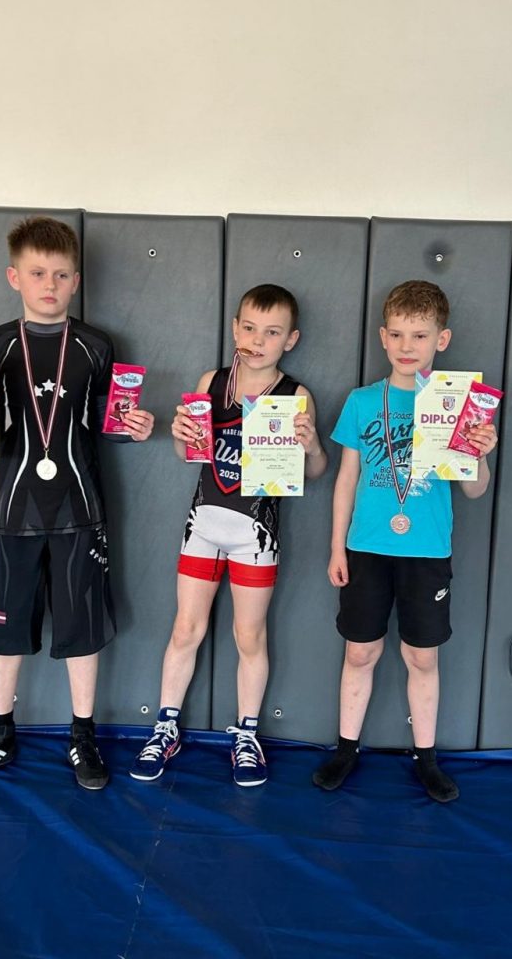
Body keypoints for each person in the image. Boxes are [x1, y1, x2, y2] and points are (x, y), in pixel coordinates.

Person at [0, 216, 154, 790]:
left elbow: (108, 420)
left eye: (61, 274)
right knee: (4, 629)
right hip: (12, 510)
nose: (50, 284)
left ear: (76, 281)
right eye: (38, 273)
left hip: (80, 510)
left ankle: (83, 736)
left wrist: (136, 428)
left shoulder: (96, 346)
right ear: (14, 277)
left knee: (82, 628)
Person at [129, 284, 327, 787]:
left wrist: (311, 447)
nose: (258, 340)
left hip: (256, 534)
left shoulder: (295, 395)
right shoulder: (212, 381)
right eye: (250, 328)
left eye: (272, 332)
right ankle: (166, 727)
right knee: (184, 629)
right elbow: (189, 456)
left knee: (249, 635)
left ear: (291, 339)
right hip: (204, 525)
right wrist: (179, 436)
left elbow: (315, 473)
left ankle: (247, 734)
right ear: (235, 327)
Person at [312, 280, 499, 801]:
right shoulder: (362, 401)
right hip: (367, 548)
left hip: (426, 550)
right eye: (396, 334)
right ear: (382, 337)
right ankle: (346, 749)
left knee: (422, 658)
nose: (406, 345)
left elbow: (474, 490)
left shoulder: (458, 406)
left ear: (442, 339)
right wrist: (336, 547)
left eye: (419, 335)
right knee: (360, 652)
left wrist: (480, 454)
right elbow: (346, 480)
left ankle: (426, 758)